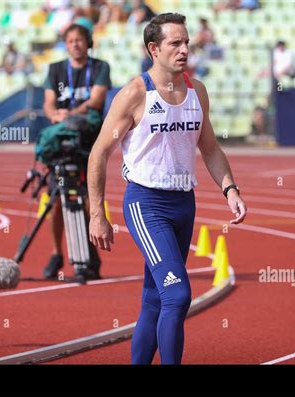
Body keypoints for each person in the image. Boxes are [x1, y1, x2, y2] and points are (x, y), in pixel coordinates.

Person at [87, 13, 247, 365]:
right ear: (153, 49)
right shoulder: (133, 94)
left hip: (183, 204)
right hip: (147, 204)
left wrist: (230, 189)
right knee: (177, 295)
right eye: (176, 43)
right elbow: (98, 153)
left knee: (155, 298)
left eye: (187, 42)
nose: (185, 49)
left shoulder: (197, 91)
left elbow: (209, 148)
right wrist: (97, 214)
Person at [41, 23, 111, 280]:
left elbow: (96, 101)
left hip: (89, 143)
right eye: (70, 41)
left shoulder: (100, 67)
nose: (75, 45)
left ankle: (90, 256)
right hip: (62, 143)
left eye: (79, 40)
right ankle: (56, 252)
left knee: (88, 200)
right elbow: (48, 103)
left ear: (88, 41)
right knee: (57, 200)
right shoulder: (55, 69)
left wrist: (70, 114)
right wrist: (56, 115)